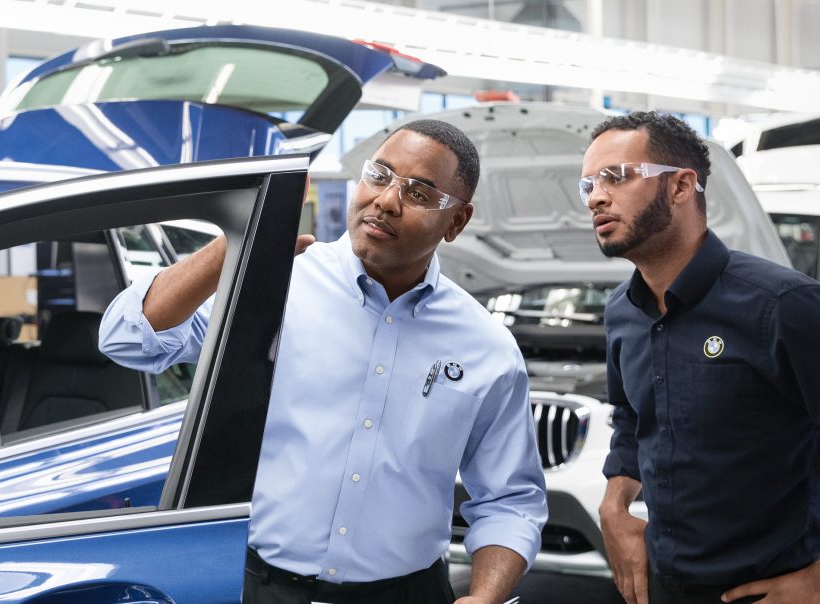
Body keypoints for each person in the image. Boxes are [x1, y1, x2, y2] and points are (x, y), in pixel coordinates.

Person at [99, 120, 547, 604]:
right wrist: (241, 244)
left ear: (457, 222)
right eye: (379, 175)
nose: (387, 200)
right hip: (264, 588)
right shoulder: (277, 287)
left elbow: (511, 501)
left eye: (419, 193)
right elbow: (128, 339)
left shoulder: (486, 346)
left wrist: (485, 595)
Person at [582, 112, 820, 604]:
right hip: (664, 586)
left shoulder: (783, 308)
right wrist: (615, 503)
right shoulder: (624, 311)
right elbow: (631, 417)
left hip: (768, 589)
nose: (596, 196)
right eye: (589, 184)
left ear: (682, 186)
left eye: (616, 177)